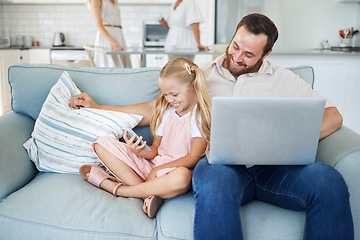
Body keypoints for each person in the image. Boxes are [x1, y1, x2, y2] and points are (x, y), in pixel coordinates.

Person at [70, 13, 354, 239]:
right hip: (222, 166)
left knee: (329, 182)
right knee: (212, 182)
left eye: (248, 55)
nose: (237, 57)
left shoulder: (285, 79)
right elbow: (154, 110)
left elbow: (334, 116)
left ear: (265, 55)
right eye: (235, 46)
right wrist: (98, 107)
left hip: (275, 169)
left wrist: (291, 141)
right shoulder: (200, 75)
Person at [79, 57, 211, 218]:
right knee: (101, 143)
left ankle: (119, 190)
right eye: (166, 95)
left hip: (172, 172)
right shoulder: (167, 112)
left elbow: (194, 158)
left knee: (183, 177)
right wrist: (141, 152)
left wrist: (159, 170)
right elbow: (155, 150)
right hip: (153, 168)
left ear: (193, 86)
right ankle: (148, 194)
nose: (169, 100)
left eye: (174, 94)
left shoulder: (199, 117)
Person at [88, 0, 131, 67]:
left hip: (119, 35)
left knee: (122, 67)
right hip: (107, 38)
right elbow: (99, 26)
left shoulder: (114, 1)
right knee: (110, 67)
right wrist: (113, 42)